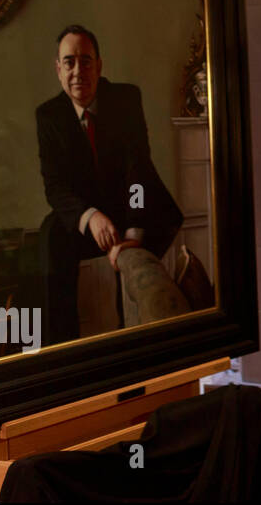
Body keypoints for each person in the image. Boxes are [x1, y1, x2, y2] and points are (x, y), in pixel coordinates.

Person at [36, 25, 183, 346]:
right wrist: (90, 217)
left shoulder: (126, 99)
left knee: (136, 256)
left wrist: (133, 231)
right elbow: (55, 186)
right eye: (69, 62)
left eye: (86, 61)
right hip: (87, 213)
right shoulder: (48, 116)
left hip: (131, 202)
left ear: (99, 65)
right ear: (58, 70)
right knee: (49, 237)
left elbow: (137, 170)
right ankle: (61, 348)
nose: (78, 71)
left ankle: (138, 334)